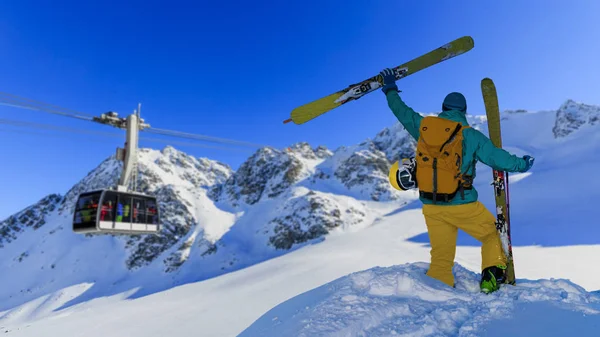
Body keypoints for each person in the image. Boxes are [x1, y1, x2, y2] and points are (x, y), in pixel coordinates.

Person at [379, 68, 535, 293]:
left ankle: (437, 291)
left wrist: (390, 89)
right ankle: (491, 277)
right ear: (464, 111)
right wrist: (522, 163)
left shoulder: (423, 127)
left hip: (431, 205)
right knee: (492, 235)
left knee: (441, 257)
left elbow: (401, 111)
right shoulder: (469, 135)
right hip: (462, 204)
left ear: (443, 109)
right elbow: (497, 159)